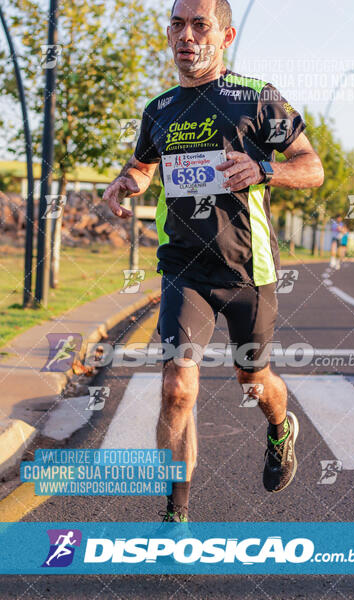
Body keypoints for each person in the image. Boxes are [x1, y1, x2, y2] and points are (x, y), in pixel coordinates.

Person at [103, 0, 324, 522]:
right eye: (178, 24)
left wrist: (263, 168)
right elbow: (143, 165)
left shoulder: (256, 99)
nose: (187, 36)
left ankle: (279, 427)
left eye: (200, 25)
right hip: (184, 269)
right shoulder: (159, 110)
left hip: (249, 270)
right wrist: (126, 182)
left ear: (224, 37)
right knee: (177, 386)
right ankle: (176, 513)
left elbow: (311, 168)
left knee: (254, 380)